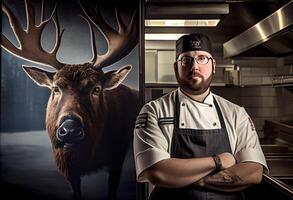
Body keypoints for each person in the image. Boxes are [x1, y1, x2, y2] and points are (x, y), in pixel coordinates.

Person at [133, 33, 268, 200]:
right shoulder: (154, 111)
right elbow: (158, 172)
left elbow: (254, 171)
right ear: (176, 67)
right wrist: (218, 161)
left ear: (213, 65)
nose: (194, 66)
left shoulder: (235, 113)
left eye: (202, 58)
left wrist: (193, 179)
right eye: (186, 60)